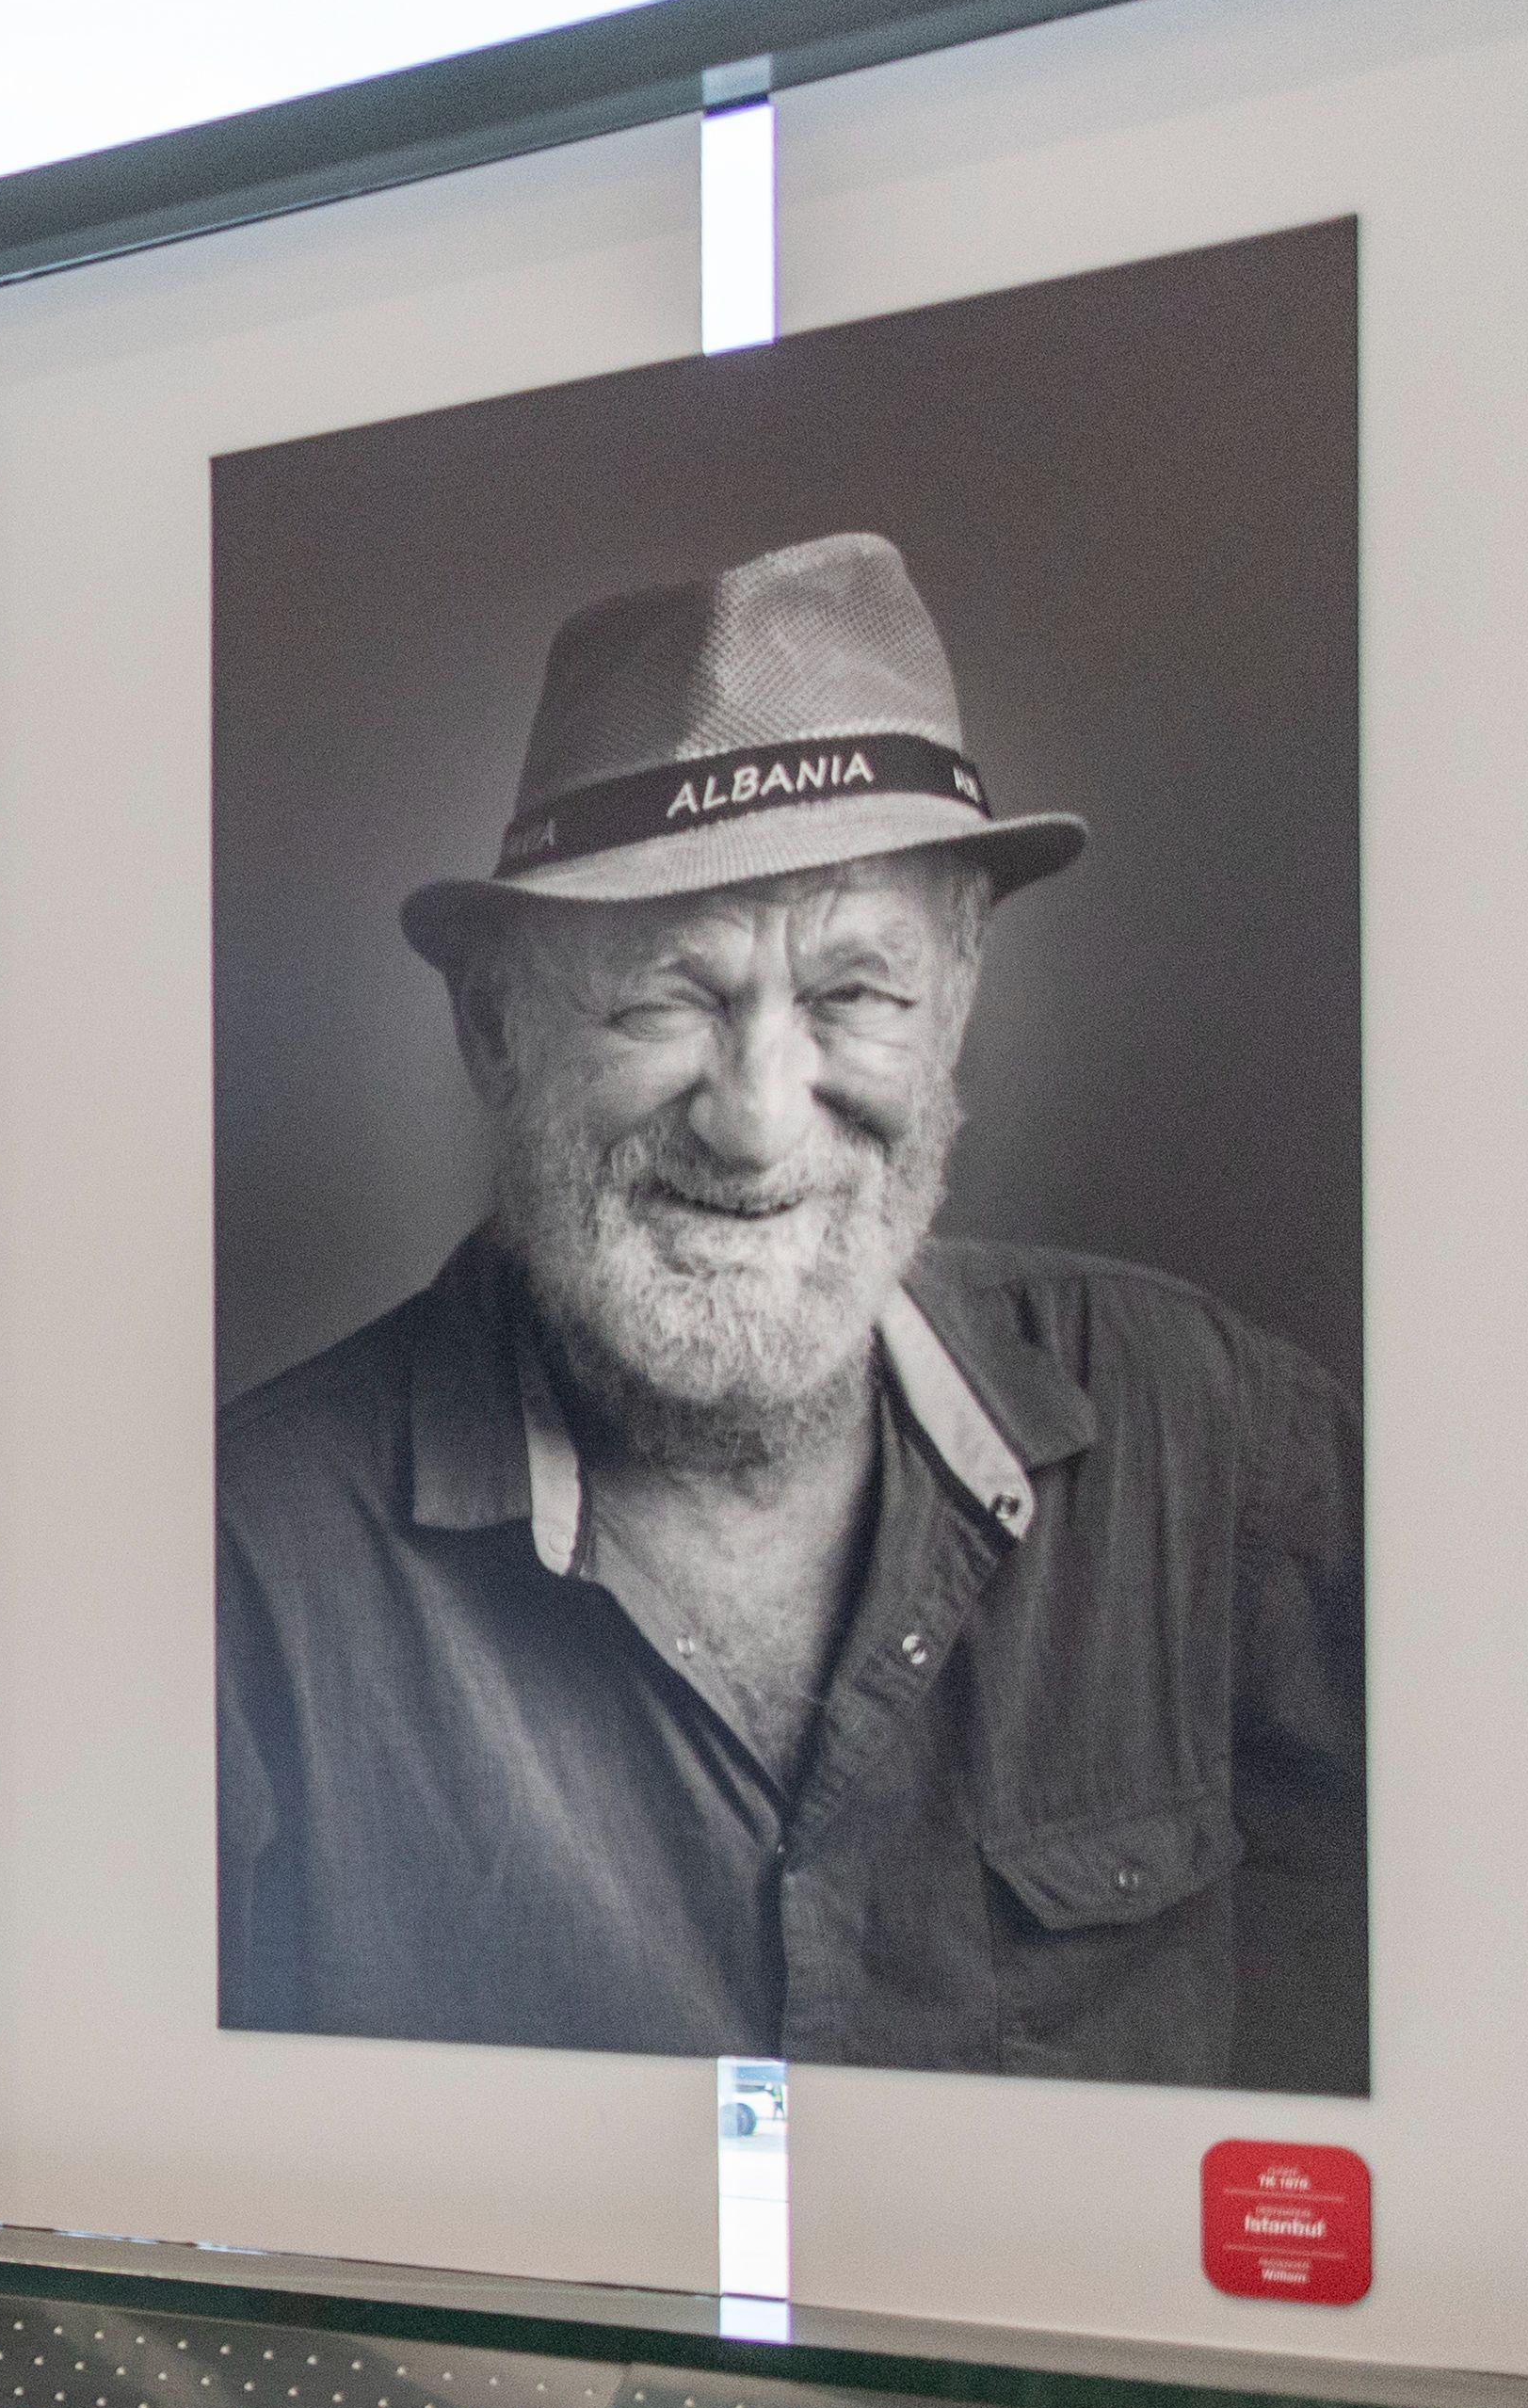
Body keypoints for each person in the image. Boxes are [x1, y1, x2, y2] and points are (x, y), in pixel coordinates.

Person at [216, 532, 1363, 2092]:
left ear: (952, 1000)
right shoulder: (238, 1575)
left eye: (852, 996)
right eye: (665, 996)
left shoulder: (1204, 1425)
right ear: (494, 1027)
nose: (756, 1123)